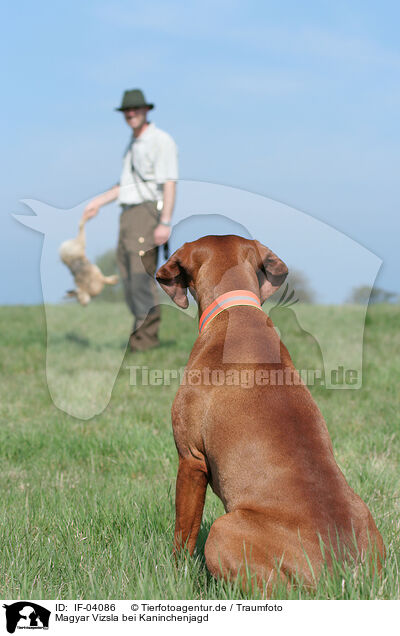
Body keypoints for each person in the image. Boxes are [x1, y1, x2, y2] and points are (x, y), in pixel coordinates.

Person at [82, 89, 178, 352]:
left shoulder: (161, 141)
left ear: (146, 110)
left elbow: (169, 183)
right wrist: (97, 203)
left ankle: (146, 341)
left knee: (139, 277)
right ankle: (138, 338)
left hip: (146, 214)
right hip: (127, 214)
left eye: (135, 109)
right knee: (127, 276)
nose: (131, 114)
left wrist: (165, 222)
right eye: (127, 110)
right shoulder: (133, 144)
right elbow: (125, 185)